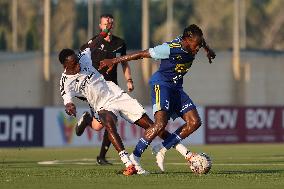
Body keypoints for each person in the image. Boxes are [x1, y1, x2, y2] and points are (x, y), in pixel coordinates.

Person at [58, 26, 197, 175]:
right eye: (74, 64)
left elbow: (93, 43)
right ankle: (129, 164)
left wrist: (104, 33)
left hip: (115, 93)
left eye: (77, 60)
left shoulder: (83, 56)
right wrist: (70, 106)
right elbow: (67, 100)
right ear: (66, 66)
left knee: (152, 126)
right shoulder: (65, 82)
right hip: (101, 104)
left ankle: (187, 154)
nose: (79, 64)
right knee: (109, 125)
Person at [99, 24, 216, 172]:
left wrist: (207, 49)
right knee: (160, 124)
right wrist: (114, 61)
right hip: (161, 85)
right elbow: (141, 54)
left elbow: (201, 41)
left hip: (176, 88)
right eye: (196, 45)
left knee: (195, 122)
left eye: (199, 45)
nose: (197, 48)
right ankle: (135, 158)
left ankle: (161, 148)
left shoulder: (195, 42)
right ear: (186, 40)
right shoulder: (169, 48)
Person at [77, 14, 134, 165]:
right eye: (105, 24)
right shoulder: (94, 42)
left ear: (113, 25)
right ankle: (87, 120)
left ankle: (101, 157)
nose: (108, 25)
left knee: (112, 122)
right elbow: (81, 54)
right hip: (96, 90)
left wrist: (129, 80)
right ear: (100, 26)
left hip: (112, 89)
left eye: (110, 23)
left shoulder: (120, 43)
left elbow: (124, 63)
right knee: (97, 126)